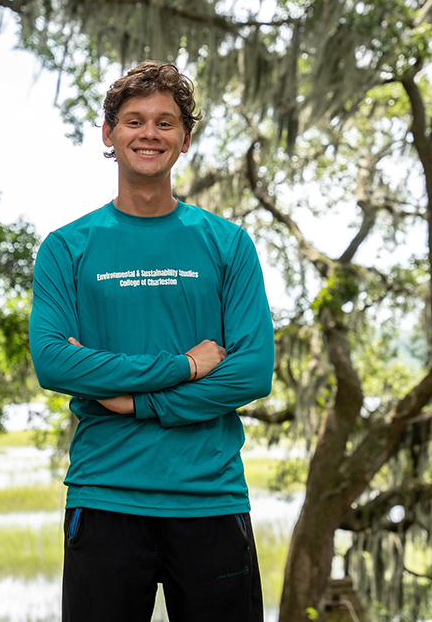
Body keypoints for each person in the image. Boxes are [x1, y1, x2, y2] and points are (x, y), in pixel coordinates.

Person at [28, 60, 275, 622]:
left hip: (209, 497)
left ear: (185, 139)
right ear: (109, 134)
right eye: (134, 121)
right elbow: (53, 362)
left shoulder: (227, 244)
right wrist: (185, 366)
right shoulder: (68, 248)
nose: (149, 134)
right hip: (106, 495)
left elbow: (251, 371)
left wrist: (138, 402)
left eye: (165, 123)